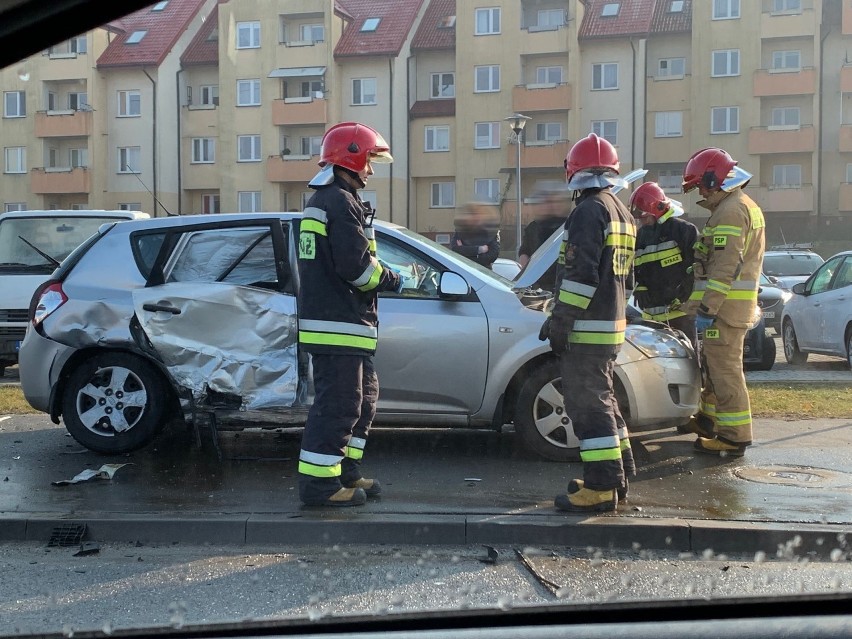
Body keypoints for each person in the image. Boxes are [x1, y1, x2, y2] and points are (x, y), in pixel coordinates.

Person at [296, 121, 403, 507]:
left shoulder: (332, 200)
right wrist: (394, 279)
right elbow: (358, 270)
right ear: (351, 156)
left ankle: (344, 472)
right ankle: (319, 488)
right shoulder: (338, 202)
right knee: (338, 405)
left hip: (344, 325)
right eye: (368, 161)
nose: (370, 171)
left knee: (363, 399)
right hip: (338, 325)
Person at [543, 132, 636, 513]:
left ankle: (600, 487)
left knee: (588, 405)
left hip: (587, 327)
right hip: (611, 325)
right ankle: (619, 474)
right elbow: (626, 280)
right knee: (606, 401)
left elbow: (580, 275)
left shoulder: (588, 212)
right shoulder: (622, 211)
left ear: (574, 173)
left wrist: (561, 320)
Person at [680, 147, 766, 457]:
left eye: (701, 185)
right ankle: (708, 422)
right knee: (715, 368)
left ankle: (734, 437)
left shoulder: (731, 210)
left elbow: (725, 267)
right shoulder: (737, 205)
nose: (700, 192)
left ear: (715, 180)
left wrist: (707, 308)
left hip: (724, 311)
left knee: (725, 371)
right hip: (728, 309)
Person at [629, 181, 699, 350]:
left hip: (681, 314)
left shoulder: (684, 231)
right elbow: (636, 268)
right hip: (651, 317)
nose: (642, 222)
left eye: (645, 217)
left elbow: (698, 268)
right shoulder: (640, 237)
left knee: (688, 360)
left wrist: (685, 291)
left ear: (658, 209)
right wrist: (640, 287)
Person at [518, 184, 572, 289]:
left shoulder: (569, 226)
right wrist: (529, 275)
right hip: (539, 286)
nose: (550, 206)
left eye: (555, 202)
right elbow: (524, 252)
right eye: (546, 202)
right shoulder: (533, 227)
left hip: (563, 284)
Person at [450, 202, 501, 269]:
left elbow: (492, 255)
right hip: (464, 271)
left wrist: (465, 251)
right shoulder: (461, 231)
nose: (475, 217)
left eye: (477, 214)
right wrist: (479, 250)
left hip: (484, 272)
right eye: (472, 214)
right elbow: (455, 249)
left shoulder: (489, 231)